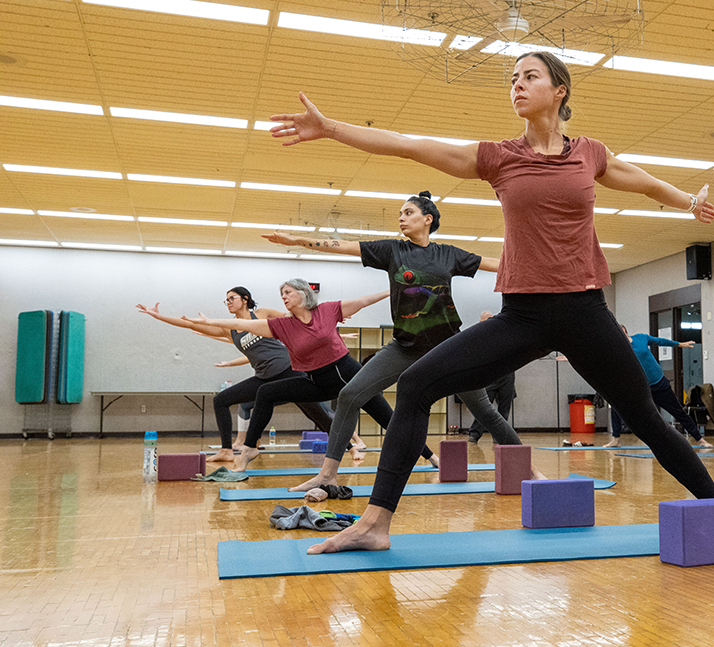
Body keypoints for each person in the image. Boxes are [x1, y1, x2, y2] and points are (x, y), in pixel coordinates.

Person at [268, 50, 714, 552]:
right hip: (523, 314)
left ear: (559, 90)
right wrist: (332, 129)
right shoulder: (498, 157)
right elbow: (410, 145)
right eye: (513, 79)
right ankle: (374, 524)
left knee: (648, 418)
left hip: (584, 310)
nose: (517, 86)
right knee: (415, 385)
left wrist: (689, 202)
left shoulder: (589, 153)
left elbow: (647, 183)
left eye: (530, 77)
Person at [263, 193, 542, 500]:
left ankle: (529, 470)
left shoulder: (447, 254)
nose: (401, 217)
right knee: (349, 395)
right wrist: (298, 240)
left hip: (449, 348)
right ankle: (327, 474)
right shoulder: (392, 250)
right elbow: (343, 246)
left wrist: (536, 271)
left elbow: (493, 264)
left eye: (408, 212)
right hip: (405, 346)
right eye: (399, 213)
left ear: (427, 219)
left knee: (486, 413)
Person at [186, 280, 424, 475]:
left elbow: (362, 301)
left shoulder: (323, 310)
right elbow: (236, 326)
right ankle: (248, 448)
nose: (284, 297)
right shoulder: (283, 325)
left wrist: (392, 289)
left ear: (303, 293)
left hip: (344, 375)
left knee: (378, 417)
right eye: (282, 294)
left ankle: (427, 455)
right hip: (311, 380)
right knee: (266, 395)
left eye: (288, 292)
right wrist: (203, 321)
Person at [136, 288, 344, 462]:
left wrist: (330, 317)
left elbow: (295, 317)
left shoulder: (261, 314)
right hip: (263, 376)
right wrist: (158, 316)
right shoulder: (230, 329)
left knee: (315, 412)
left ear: (245, 299)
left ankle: (347, 446)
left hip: (288, 370)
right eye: (226, 300)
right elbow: (191, 324)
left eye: (232, 298)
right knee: (221, 400)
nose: (228, 302)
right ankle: (226, 450)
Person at [604, 325, 713, 448]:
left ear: (626, 332)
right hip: (639, 388)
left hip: (658, 383)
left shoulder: (640, 338)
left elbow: (659, 341)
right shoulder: (618, 349)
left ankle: (700, 439)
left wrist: (679, 344)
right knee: (616, 405)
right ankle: (616, 439)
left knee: (677, 411)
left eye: (621, 332)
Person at [467, 312, 516, 444]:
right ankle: (474, 434)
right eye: (486, 320)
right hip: (489, 375)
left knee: (504, 409)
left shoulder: (504, 333)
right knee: (484, 407)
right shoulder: (477, 336)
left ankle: (499, 437)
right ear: (480, 322)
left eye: (491, 320)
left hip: (507, 374)